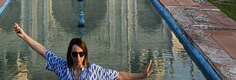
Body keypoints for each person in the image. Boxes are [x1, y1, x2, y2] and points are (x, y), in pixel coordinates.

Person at [14, 23, 153, 80]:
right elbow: (42, 51)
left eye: (81, 53)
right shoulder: (62, 66)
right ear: (70, 54)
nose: (78, 57)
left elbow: (119, 76)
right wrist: (24, 35)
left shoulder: (94, 71)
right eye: (75, 54)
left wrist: (141, 75)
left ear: (85, 54)